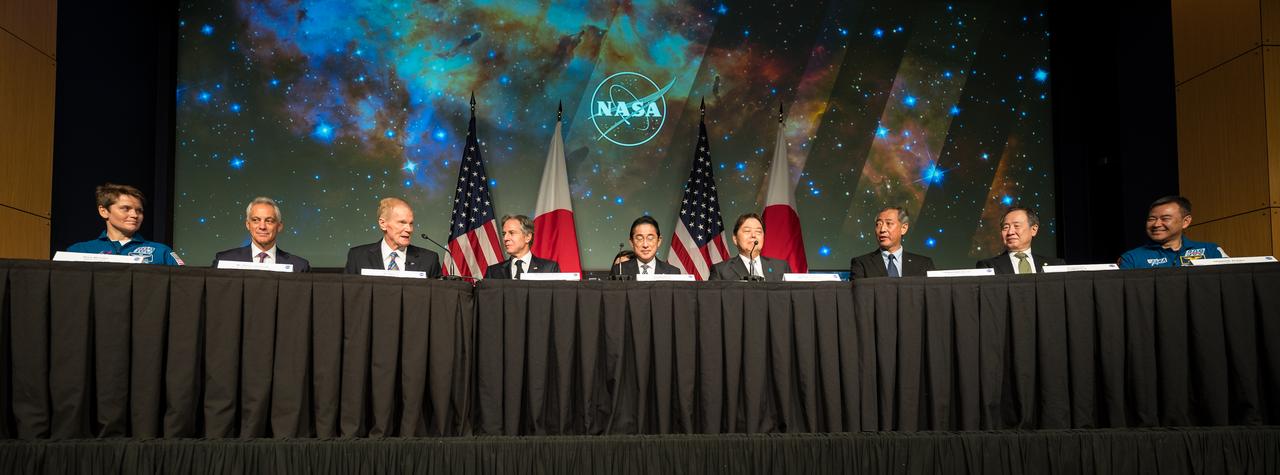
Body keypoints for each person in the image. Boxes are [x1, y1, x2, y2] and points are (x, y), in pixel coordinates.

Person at [67, 183, 181, 265]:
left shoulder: (161, 252)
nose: (135, 215)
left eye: (139, 210)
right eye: (125, 209)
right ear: (104, 211)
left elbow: (184, 286)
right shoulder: (79, 250)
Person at [1119, 195, 1226, 268]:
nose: (1156, 224)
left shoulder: (1211, 251)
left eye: (1165, 218)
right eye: (1151, 219)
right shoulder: (1132, 258)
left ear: (1185, 222)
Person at [344, 197, 442, 276]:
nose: (409, 229)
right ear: (383, 224)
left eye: (411, 223)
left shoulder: (429, 260)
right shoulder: (358, 257)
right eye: (402, 222)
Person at [211, 197, 311, 272]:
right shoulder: (224, 261)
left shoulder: (299, 267)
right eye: (255, 220)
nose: (262, 226)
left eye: (269, 221)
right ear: (248, 225)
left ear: (279, 226)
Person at [849, 206, 935, 278]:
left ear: (903, 228)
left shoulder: (923, 264)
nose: (882, 229)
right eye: (878, 224)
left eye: (889, 223)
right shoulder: (862, 264)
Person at [976, 207, 1064, 274]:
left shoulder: (1055, 265)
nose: (1010, 232)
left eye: (1016, 226)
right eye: (1005, 227)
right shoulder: (988, 266)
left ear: (1033, 230)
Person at [709, 213, 790, 281]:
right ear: (735, 239)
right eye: (747, 231)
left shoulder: (781, 267)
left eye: (758, 232)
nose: (753, 235)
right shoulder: (720, 271)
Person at [484, 214, 561, 279]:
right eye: (504, 234)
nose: (505, 238)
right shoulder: (493, 272)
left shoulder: (549, 269)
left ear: (527, 237)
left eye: (512, 233)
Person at [610, 216, 682, 277]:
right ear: (632, 242)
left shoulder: (673, 272)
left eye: (650, 238)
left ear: (659, 241)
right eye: (639, 238)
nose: (645, 245)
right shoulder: (619, 270)